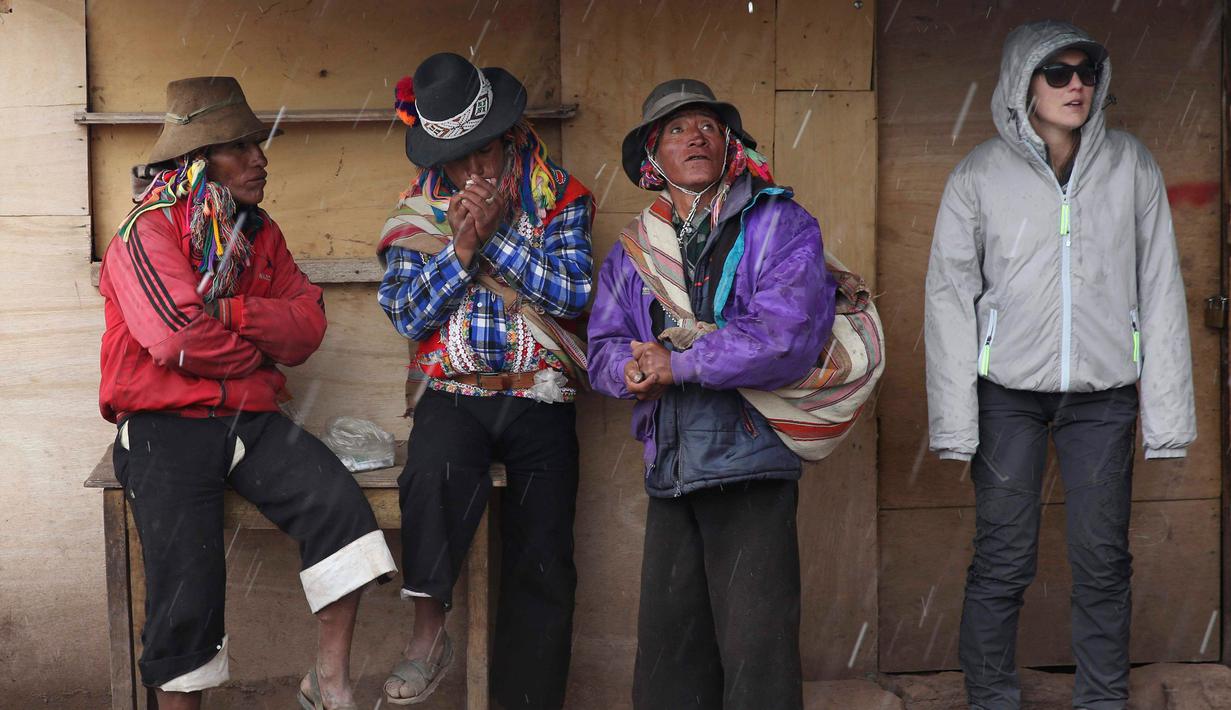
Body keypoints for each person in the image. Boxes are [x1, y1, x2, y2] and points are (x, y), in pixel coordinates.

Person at [98, 76, 397, 710]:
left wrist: (231, 315)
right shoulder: (145, 232)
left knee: (340, 510)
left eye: (257, 144)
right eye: (239, 146)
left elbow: (309, 325)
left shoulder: (260, 233)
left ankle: (330, 684)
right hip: (163, 423)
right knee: (187, 587)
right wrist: (258, 356)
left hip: (248, 416)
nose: (259, 158)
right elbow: (175, 339)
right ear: (194, 160)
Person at [925, 20, 1196, 710]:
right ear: (1023, 84)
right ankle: (990, 698)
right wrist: (954, 422)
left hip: (1102, 397)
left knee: (1101, 561)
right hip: (1006, 394)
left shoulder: (1130, 163)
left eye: (1085, 73)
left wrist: (1165, 417)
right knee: (1002, 559)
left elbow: (1159, 288)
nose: (1075, 85)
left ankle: (1101, 700)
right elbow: (949, 301)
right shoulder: (978, 174)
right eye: (1056, 73)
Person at [587, 79, 835, 710]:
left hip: (750, 462)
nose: (694, 136)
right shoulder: (635, 251)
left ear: (729, 146)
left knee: (759, 659)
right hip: (672, 468)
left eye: (708, 126)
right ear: (653, 157)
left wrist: (681, 365)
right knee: (671, 661)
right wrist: (632, 368)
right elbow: (603, 347)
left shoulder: (779, 223)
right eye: (675, 129)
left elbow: (787, 337)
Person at [376, 53, 593, 708]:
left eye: (483, 154)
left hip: (540, 397)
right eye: (457, 160)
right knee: (430, 474)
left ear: (508, 134)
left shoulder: (560, 198)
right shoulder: (418, 210)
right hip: (456, 396)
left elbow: (573, 291)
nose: (473, 172)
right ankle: (427, 636)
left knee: (543, 562)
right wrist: (461, 250)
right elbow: (406, 313)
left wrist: (496, 239)